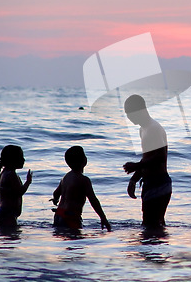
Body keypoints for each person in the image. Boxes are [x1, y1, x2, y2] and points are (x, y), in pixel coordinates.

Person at [123, 94, 172, 228]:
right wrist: (134, 179)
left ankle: (157, 248)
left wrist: (136, 165)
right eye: (126, 114)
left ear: (141, 110)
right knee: (153, 226)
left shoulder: (153, 128)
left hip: (159, 183)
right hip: (150, 183)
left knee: (151, 225)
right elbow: (148, 158)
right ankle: (158, 248)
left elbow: (160, 157)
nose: (128, 117)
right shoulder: (143, 129)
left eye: (130, 113)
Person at [51, 146, 111, 231]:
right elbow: (93, 200)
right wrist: (103, 217)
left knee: (63, 238)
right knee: (76, 241)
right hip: (71, 217)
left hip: (59, 214)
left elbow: (56, 193)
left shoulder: (65, 178)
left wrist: (55, 200)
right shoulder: (84, 180)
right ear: (84, 160)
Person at [0, 145, 33, 227]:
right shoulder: (11, 174)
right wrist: (28, 182)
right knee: (13, 238)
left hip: (1, 212)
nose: (23, 160)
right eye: (21, 157)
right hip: (7, 214)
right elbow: (19, 192)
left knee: (7, 238)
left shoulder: (4, 173)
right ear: (13, 159)